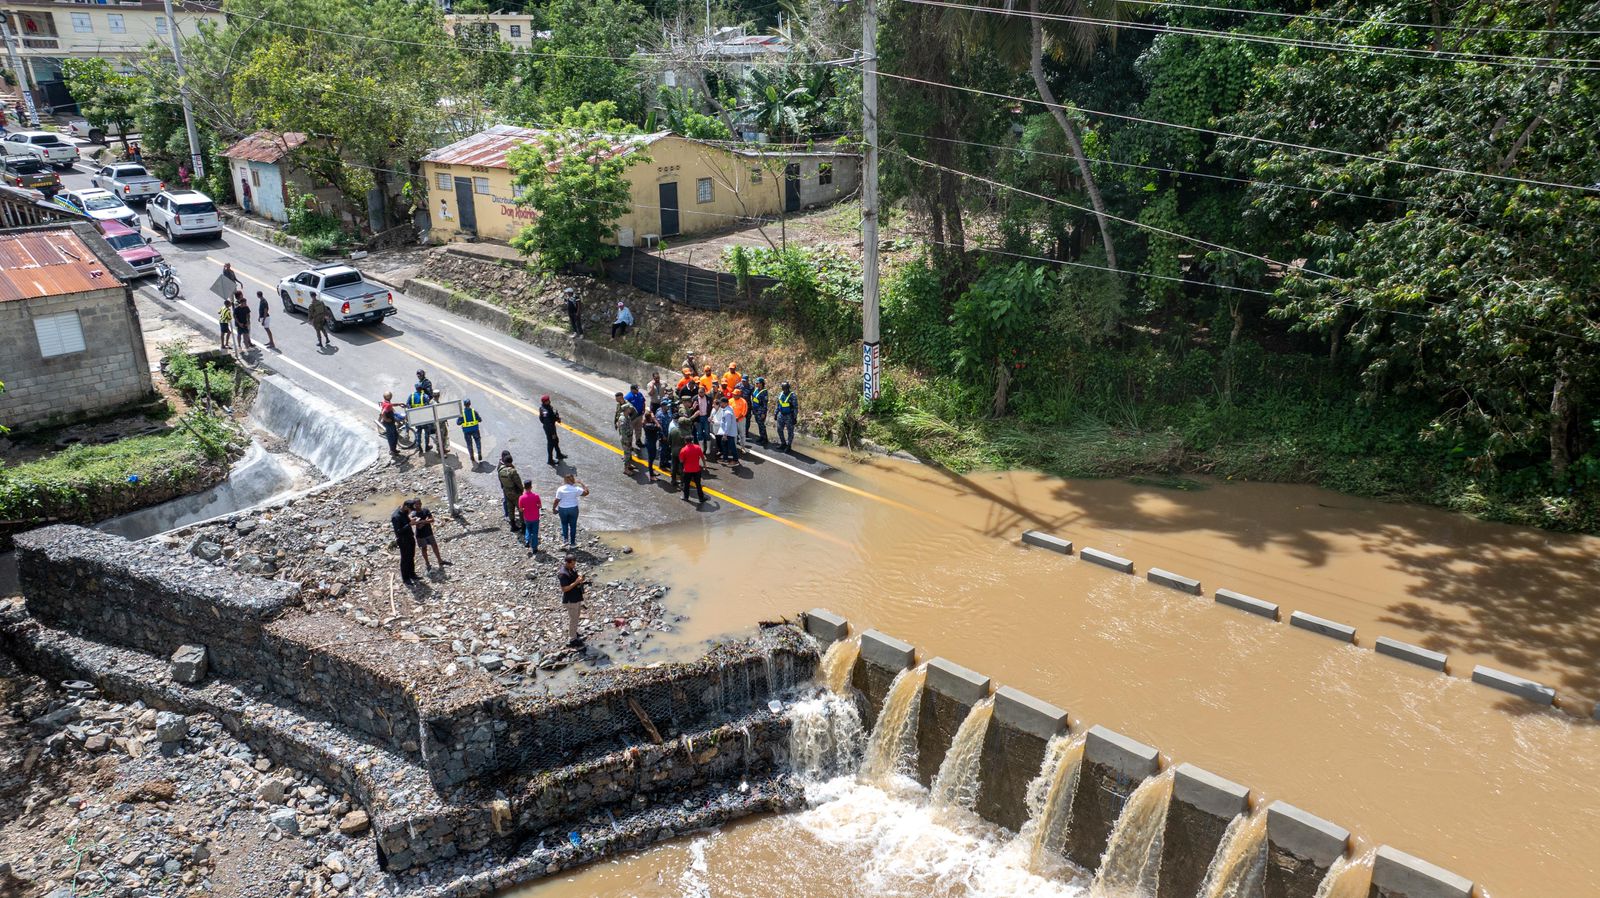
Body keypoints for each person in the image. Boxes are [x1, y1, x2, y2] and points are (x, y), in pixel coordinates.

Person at [557, 555, 586, 648]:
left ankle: (574, 633)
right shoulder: (563, 574)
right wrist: (577, 582)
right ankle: (572, 639)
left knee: (576, 617)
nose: (574, 565)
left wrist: (580, 579)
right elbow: (564, 589)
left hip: (576, 597)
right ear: (567, 563)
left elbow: (575, 579)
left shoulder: (571, 569)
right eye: (573, 564)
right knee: (573, 619)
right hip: (570, 600)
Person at [554, 474, 588, 548]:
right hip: (573, 509)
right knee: (573, 526)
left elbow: (557, 500)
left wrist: (554, 509)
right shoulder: (576, 489)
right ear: (573, 480)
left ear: (565, 480)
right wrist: (582, 483)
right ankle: (572, 543)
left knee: (564, 524)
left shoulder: (560, 489)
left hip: (562, 509)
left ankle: (565, 540)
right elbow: (586, 493)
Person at [390, 498, 419, 586]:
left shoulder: (405, 512)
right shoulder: (396, 516)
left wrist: (411, 520)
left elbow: (407, 519)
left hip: (410, 537)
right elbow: (398, 531)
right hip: (403, 540)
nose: (410, 512)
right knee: (405, 559)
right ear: (406, 506)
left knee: (411, 556)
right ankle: (405, 578)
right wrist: (409, 524)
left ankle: (412, 574)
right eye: (410, 510)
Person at [412, 503, 448, 570]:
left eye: (419, 504)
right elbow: (418, 526)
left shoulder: (425, 510)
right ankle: (427, 563)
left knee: (435, 546)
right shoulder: (414, 514)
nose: (418, 505)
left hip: (429, 533)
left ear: (421, 503)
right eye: (416, 504)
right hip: (420, 535)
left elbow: (432, 520)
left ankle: (440, 560)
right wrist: (425, 521)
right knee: (424, 548)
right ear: (414, 505)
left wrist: (423, 521)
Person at [496, 451, 523, 533]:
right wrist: (521, 490)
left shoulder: (500, 470)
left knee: (510, 508)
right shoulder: (512, 471)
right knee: (520, 508)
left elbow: (500, 480)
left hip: (506, 491)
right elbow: (518, 483)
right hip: (515, 492)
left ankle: (513, 525)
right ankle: (524, 527)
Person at [614, 392, 639, 475]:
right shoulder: (622, 420)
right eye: (628, 409)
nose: (630, 410)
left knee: (628, 453)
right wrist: (627, 441)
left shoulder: (626, 416)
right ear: (625, 410)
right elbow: (623, 433)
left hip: (628, 436)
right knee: (627, 454)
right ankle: (626, 469)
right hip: (626, 439)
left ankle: (628, 465)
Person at [539, 395, 567, 465]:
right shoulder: (545, 410)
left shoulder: (546, 407)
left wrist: (556, 417)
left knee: (556, 440)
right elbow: (546, 421)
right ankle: (550, 460)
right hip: (550, 429)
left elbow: (545, 418)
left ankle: (558, 454)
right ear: (545, 402)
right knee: (551, 443)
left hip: (550, 427)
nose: (549, 401)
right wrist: (553, 433)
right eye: (548, 400)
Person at [408, 384, 434, 455]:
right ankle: (426, 446)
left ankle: (419, 447)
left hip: (416, 418)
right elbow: (428, 406)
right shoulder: (425, 396)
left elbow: (408, 405)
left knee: (418, 432)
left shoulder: (412, 396)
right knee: (426, 432)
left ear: (416, 389)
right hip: (424, 417)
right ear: (421, 388)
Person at [517, 482, 542, 555]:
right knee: (535, 532)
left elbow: (521, 509)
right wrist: (536, 507)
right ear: (531, 487)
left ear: (524, 487)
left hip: (527, 517)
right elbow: (540, 506)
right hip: (535, 517)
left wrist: (525, 509)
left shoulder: (521, 497)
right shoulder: (536, 496)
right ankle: (534, 548)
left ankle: (527, 541)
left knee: (528, 528)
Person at [679, 437, 706, 504]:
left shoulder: (683, 450)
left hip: (687, 470)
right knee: (698, 484)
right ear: (692, 441)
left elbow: (681, 460)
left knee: (686, 484)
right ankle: (701, 498)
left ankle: (686, 497)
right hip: (697, 469)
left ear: (685, 441)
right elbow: (702, 457)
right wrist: (705, 465)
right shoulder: (697, 447)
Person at [456, 398, 483, 464]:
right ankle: (479, 453)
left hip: (466, 431)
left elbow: (458, 423)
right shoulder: (474, 411)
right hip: (475, 429)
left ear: (464, 405)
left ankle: (472, 456)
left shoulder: (462, 413)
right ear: (470, 404)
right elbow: (480, 420)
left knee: (469, 444)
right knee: (478, 441)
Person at [641, 401, 662, 483]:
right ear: (649, 418)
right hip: (650, 443)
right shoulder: (649, 425)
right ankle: (651, 475)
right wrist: (654, 419)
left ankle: (652, 471)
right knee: (651, 458)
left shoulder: (647, 423)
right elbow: (659, 427)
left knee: (652, 458)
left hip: (651, 442)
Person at [775, 381, 798, 452]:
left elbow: (795, 407)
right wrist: (775, 413)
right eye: (783, 388)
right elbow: (778, 405)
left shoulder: (792, 395)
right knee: (779, 429)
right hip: (781, 414)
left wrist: (794, 417)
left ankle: (788, 445)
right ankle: (783, 443)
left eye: (786, 388)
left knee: (790, 432)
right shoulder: (780, 394)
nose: (785, 389)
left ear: (788, 388)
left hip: (789, 416)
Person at [666, 414, 689, 487]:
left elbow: (669, 441)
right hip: (682, 453)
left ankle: (673, 480)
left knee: (673, 466)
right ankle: (682, 482)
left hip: (674, 451)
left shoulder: (673, 430)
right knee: (681, 467)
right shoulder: (686, 432)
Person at [378, 391, 401, 459]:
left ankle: (393, 449)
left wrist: (398, 404)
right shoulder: (388, 405)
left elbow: (391, 405)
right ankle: (393, 451)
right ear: (390, 397)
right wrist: (386, 419)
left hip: (388, 423)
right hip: (389, 423)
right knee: (393, 437)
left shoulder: (385, 402)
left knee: (394, 435)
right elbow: (383, 413)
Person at [623, 383, 646, 448]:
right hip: (632, 418)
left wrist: (643, 410)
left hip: (639, 415)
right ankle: (629, 444)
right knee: (630, 431)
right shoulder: (628, 397)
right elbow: (624, 408)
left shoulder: (639, 394)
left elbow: (643, 402)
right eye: (636, 389)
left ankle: (638, 441)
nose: (638, 390)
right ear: (632, 389)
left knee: (638, 429)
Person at [748, 376, 769, 446]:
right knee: (759, 424)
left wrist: (764, 413)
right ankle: (761, 436)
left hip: (761, 411)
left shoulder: (764, 392)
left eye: (758, 383)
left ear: (761, 384)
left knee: (762, 425)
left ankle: (765, 439)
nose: (756, 384)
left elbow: (765, 404)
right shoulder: (756, 390)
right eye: (756, 383)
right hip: (755, 410)